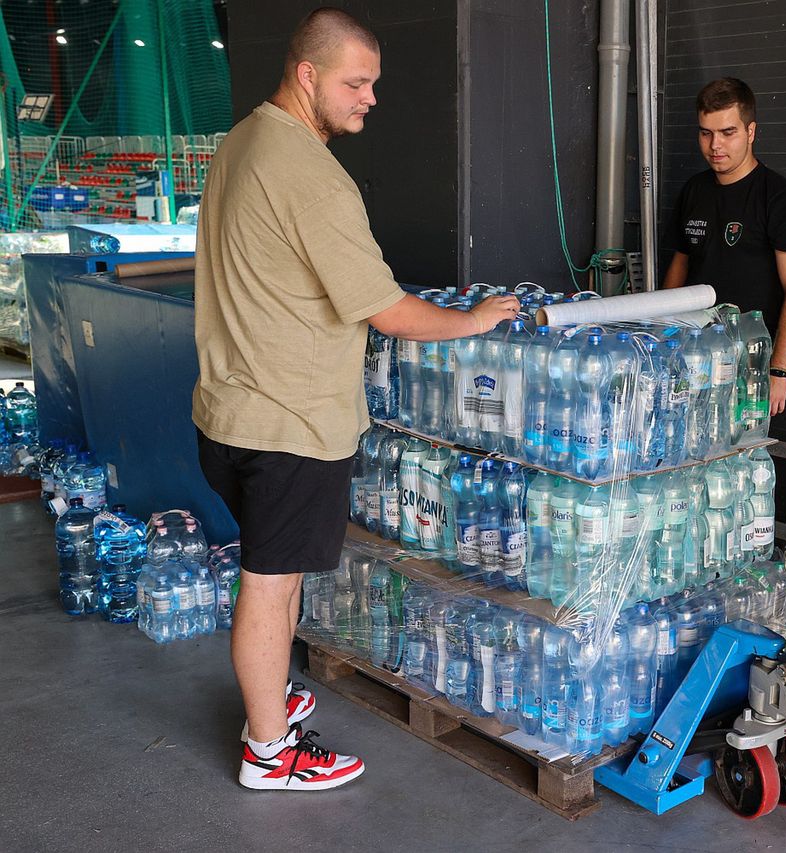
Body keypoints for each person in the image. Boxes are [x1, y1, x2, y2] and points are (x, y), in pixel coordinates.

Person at [192, 8, 518, 791]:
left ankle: (271, 706)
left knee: (278, 573)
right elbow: (388, 310)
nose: (371, 98)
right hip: (290, 423)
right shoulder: (314, 176)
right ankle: (269, 751)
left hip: (227, 409)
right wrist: (474, 320)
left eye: (373, 82)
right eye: (356, 82)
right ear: (308, 75)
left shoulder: (241, 142)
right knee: (270, 584)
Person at [662, 77, 786, 416]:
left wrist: (777, 370)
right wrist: (662, 335)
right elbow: (681, 264)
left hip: (749, 362)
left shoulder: (782, 201)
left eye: (728, 132)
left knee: (737, 455)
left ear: (750, 131)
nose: (715, 145)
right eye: (706, 133)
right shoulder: (694, 190)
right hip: (693, 352)